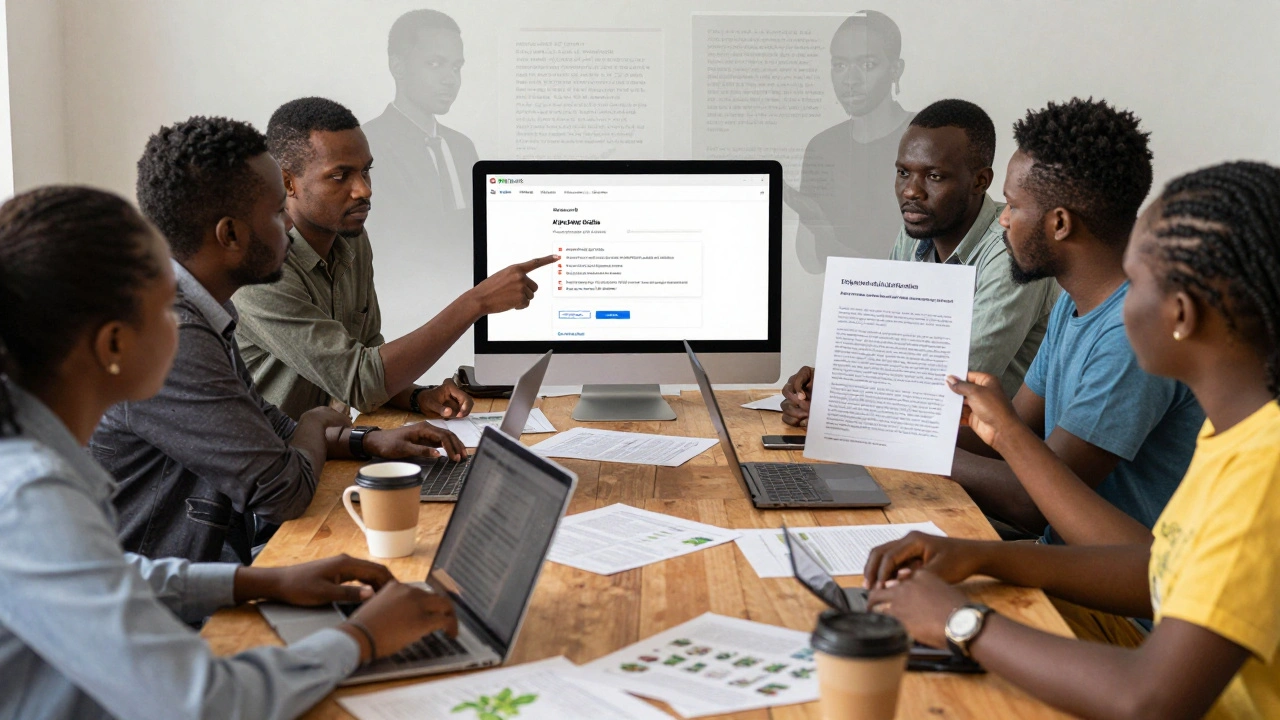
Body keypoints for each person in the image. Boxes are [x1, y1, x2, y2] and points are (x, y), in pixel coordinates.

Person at [0, 185, 456, 719]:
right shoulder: (31, 497)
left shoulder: (32, 461)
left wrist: (258, 581)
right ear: (114, 346)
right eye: (166, 311)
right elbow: (204, 703)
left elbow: (107, 576)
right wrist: (361, 639)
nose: (183, 326)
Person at [864, 160, 1280, 720]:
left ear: (1180, 314)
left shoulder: (1263, 473)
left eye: (1135, 284)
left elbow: (1148, 699)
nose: (1121, 304)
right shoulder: (1235, 431)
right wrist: (976, 557)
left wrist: (960, 622)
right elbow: (1157, 571)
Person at [795, 99, 1203, 550]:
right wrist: (852, 419)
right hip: (1063, 564)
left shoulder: (1130, 336)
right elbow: (1004, 438)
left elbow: (1033, 502)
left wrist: (885, 442)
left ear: (1060, 223)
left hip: (1119, 611)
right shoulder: (1075, 308)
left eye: (1011, 205)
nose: (1003, 219)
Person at [91, 116, 465, 565]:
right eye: (274, 213)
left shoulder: (206, 310)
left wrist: (366, 441)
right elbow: (282, 493)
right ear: (229, 235)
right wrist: (315, 421)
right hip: (162, 604)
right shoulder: (169, 336)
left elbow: (270, 426)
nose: (287, 226)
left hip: (215, 564)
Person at [234, 97, 556, 420]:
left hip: (323, 450)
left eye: (365, 171)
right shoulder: (261, 270)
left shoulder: (353, 240)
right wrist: (477, 302)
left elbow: (368, 352)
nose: (364, 190)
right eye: (340, 176)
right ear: (287, 182)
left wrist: (417, 396)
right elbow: (361, 379)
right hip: (271, 464)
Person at [782, 98, 1060, 418]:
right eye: (903, 172)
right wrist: (824, 385)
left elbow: (955, 382)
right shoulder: (916, 231)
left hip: (985, 451)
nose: (911, 191)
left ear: (980, 181)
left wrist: (842, 401)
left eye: (934, 177)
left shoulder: (1012, 249)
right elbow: (886, 342)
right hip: (919, 439)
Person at [788, 10, 916, 271]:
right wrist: (816, 222)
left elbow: (949, 253)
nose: (850, 80)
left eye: (867, 65)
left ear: (896, 69)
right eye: (840, 65)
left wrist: (831, 243)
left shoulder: (928, 138)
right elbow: (810, 263)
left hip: (917, 303)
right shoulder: (822, 147)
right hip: (846, 302)